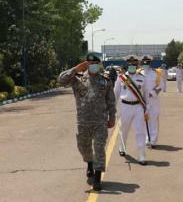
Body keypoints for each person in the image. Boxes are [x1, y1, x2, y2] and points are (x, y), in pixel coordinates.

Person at [58, 53, 116, 191]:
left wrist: (112, 117)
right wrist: (76, 69)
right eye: (90, 63)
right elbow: (60, 80)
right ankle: (89, 163)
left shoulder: (105, 81)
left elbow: (111, 101)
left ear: (99, 64)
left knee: (99, 148)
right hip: (83, 121)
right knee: (83, 147)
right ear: (86, 64)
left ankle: (97, 177)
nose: (93, 65)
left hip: (100, 122)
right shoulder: (78, 79)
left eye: (95, 63)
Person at [113, 55, 149, 165]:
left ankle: (141, 154)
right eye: (130, 65)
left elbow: (146, 94)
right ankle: (122, 147)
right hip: (125, 106)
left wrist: (146, 108)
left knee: (140, 131)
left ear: (137, 65)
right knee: (125, 129)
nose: (132, 66)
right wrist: (112, 107)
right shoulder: (121, 78)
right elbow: (116, 93)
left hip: (138, 106)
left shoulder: (142, 78)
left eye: (134, 65)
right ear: (127, 65)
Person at [140, 55, 164, 147]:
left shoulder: (156, 73)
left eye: (147, 63)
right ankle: (147, 137)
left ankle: (153, 139)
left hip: (153, 100)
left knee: (153, 119)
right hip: (142, 100)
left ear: (150, 63)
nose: (145, 64)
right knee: (144, 119)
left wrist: (152, 93)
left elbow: (161, 86)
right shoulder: (139, 73)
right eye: (144, 63)